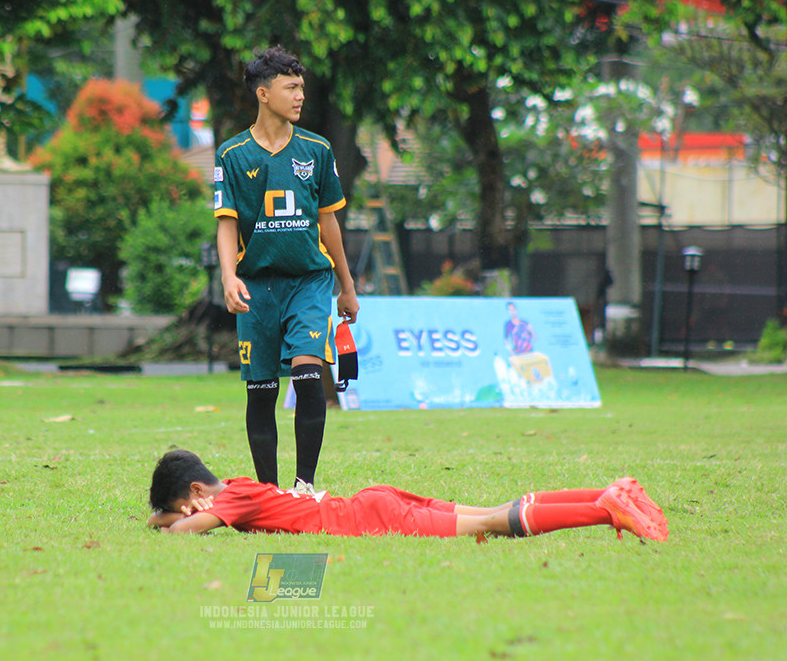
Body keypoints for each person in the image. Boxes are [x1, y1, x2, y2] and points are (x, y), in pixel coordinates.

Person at [213, 46, 359, 492]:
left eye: (302, 88)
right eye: (290, 87)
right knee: (260, 392)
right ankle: (268, 493)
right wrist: (228, 275)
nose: (300, 96)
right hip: (256, 287)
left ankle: (304, 486)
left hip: (309, 282)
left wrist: (346, 286)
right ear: (263, 93)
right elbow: (226, 222)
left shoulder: (317, 149)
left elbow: (328, 220)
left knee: (309, 374)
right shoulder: (232, 155)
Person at [147, 450, 669, 542]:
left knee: (491, 524)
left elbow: (180, 532)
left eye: (185, 504)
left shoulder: (231, 500)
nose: (189, 516)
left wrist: (168, 521)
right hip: (372, 500)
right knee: (491, 511)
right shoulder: (239, 486)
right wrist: (165, 514)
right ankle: (607, 493)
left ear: (198, 491)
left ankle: (605, 511)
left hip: (373, 518)